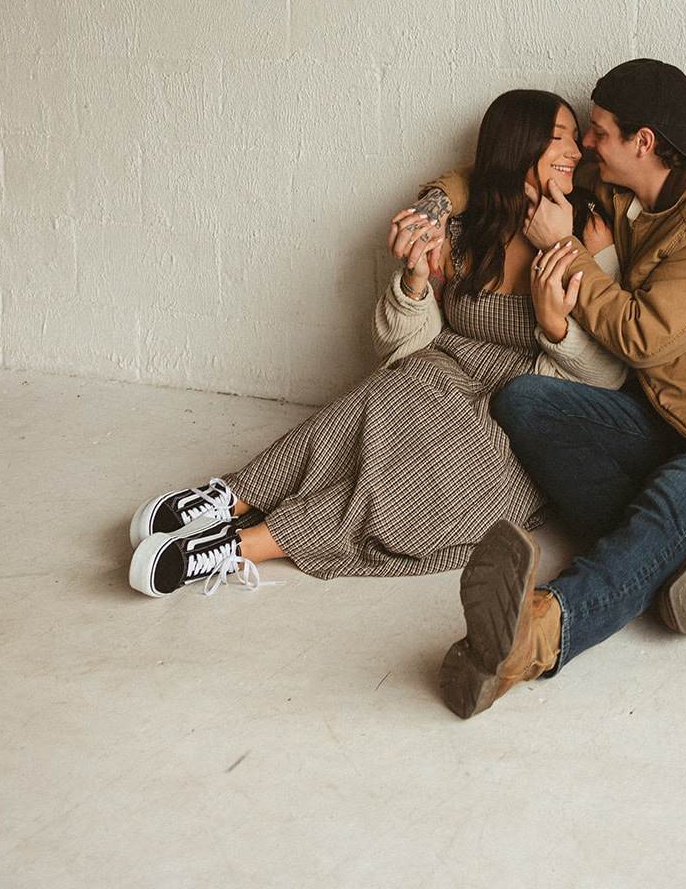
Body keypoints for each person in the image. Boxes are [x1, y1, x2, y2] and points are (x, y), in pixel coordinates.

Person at [414, 59, 686, 719]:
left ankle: (533, 637)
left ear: (642, 142)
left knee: (674, 495)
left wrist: (567, 251)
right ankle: (685, 563)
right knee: (522, 398)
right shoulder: (618, 183)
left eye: (598, 131)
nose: (583, 145)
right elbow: (494, 171)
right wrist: (431, 208)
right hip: (670, 417)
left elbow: (643, 339)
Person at [127, 90, 627, 598]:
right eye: (560, 139)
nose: (577, 152)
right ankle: (230, 497)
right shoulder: (462, 232)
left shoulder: (588, 232)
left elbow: (609, 378)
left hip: (526, 416)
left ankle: (240, 547)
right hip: (443, 378)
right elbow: (407, 348)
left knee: (426, 489)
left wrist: (556, 326)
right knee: (383, 395)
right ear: (518, 148)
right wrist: (413, 283)